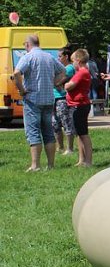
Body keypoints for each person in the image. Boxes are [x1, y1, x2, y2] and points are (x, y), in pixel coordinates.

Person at [11, 34, 67, 172]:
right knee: (48, 131)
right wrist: (54, 83)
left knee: (34, 131)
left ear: (27, 44)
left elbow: (17, 73)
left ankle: (35, 165)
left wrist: (22, 90)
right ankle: (51, 165)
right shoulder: (49, 57)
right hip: (48, 99)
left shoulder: (28, 57)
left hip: (33, 100)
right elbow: (63, 71)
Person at [64, 48, 93, 167]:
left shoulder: (82, 72)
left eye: (73, 61)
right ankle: (81, 159)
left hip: (79, 106)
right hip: (77, 105)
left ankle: (88, 161)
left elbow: (68, 86)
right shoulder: (82, 72)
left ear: (79, 60)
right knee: (79, 134)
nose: (72, 64)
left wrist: (65, 84)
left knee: (83, 134)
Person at [52, 47, 76, 155]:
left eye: (60, 56)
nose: (58, 58)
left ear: (66, 57)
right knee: (55, 124)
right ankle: (60, 147)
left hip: (62, 98)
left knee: (66, 122)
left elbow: (59, 81)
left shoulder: (69, 68)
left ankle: (69, 148)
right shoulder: (60, 68)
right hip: (54, 97)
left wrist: (55, 80)